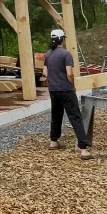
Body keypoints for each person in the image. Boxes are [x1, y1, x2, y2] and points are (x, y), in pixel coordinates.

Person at [43, 29, 92, 160]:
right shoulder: (66, 54)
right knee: (75, 117)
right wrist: (73, 85)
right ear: (62, 39)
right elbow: (69, 73)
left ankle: (53, 141)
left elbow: (45, 73)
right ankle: (83, 149)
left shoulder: (48, 54)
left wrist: (53, 80)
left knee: (56, 115)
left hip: (53, 90)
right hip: (66, 89)